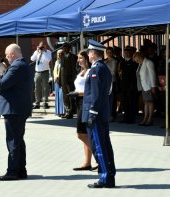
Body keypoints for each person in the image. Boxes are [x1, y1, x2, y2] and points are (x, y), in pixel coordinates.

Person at [0, 43, 33, 181]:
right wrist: (1, 75)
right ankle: (20, 170)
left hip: (14, 109)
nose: (7, 58)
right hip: (18, 108)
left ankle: (13, 171)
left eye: (7, 55)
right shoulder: (21, 65)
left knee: (13, 140)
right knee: (18, 140)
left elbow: (2, 84)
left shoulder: (17, 66)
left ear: (12, 54)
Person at [82, 40, 116, 188]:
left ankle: (105, 177)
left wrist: (92, 113)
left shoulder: (96, 69)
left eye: (89, 53)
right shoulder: (103, 68)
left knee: (99, 146)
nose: (88, 55)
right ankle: (109, 175)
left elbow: (96, 95)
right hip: (101, 113)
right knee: (104, 145)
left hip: (96, 114)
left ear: (93, 54)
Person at [67, 50, 98, 171]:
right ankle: (87, 162)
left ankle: (99, 158)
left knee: (81, 133)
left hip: (86, 102)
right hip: (79, 102)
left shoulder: (91, 71)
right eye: (78, 58)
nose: (78, 60)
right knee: (85, 133)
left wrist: (78, 93)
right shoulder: (81, 71)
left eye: (80, 58)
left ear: (86, 58)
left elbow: (92, 91)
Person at [134, 51, 157, 126]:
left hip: (149, 86)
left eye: (135, 57)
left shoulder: (148, 62)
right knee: (146, 103)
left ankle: (150, 118)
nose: (135, 59)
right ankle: (145, 118)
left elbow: (152, 75)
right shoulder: (140, 64)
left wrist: (153, 86)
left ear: (140, 56)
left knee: (150, 102)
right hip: (143, 86)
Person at [31, 41, 52, 109]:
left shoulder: (48, 52)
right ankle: (37, 103)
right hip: (37, 72)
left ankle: (45, 102)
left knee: (45, 88)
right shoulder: (37, 52)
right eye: (40, 46)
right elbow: (32, 59)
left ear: (45, 46)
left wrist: (44, 52)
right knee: (37, 88)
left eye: (42, 46)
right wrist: (37, 51)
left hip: (45, 72)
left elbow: (48, 60)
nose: (41, 48)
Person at [60, 42, 77, 119]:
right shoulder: (62, 57)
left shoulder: (73, 57)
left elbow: (74, 69)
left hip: (70, 80)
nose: (64, 49)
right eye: (63, 47)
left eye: (65, 47)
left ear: (69, 48)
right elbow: (61, 69)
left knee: (70, 96)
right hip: (63, 80)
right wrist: (60, 80)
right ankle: (67, 110)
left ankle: (71, 112)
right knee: (65, 97)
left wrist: (74, 79)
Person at [104, 47, 118, 122]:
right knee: (107, 98)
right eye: (107, 52)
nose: (109, 54)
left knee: (112, 98)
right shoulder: (104, 61)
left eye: (110, 52)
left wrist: (106, 69)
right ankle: (107, 113)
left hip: (112, 81)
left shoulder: (114, 61)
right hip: (106, 82)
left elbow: (113, 72)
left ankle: (113, 114)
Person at [53, 49, 65, 117]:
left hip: (62, 81)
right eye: (58, 54)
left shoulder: (64, 61)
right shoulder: (56, 62)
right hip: (56, 81)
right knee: (57, 96)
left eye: (60, 54)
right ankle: (58, 111)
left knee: (61, 96)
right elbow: (54, 71)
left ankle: (62, 111)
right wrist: (55, 76)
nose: (59, 55)